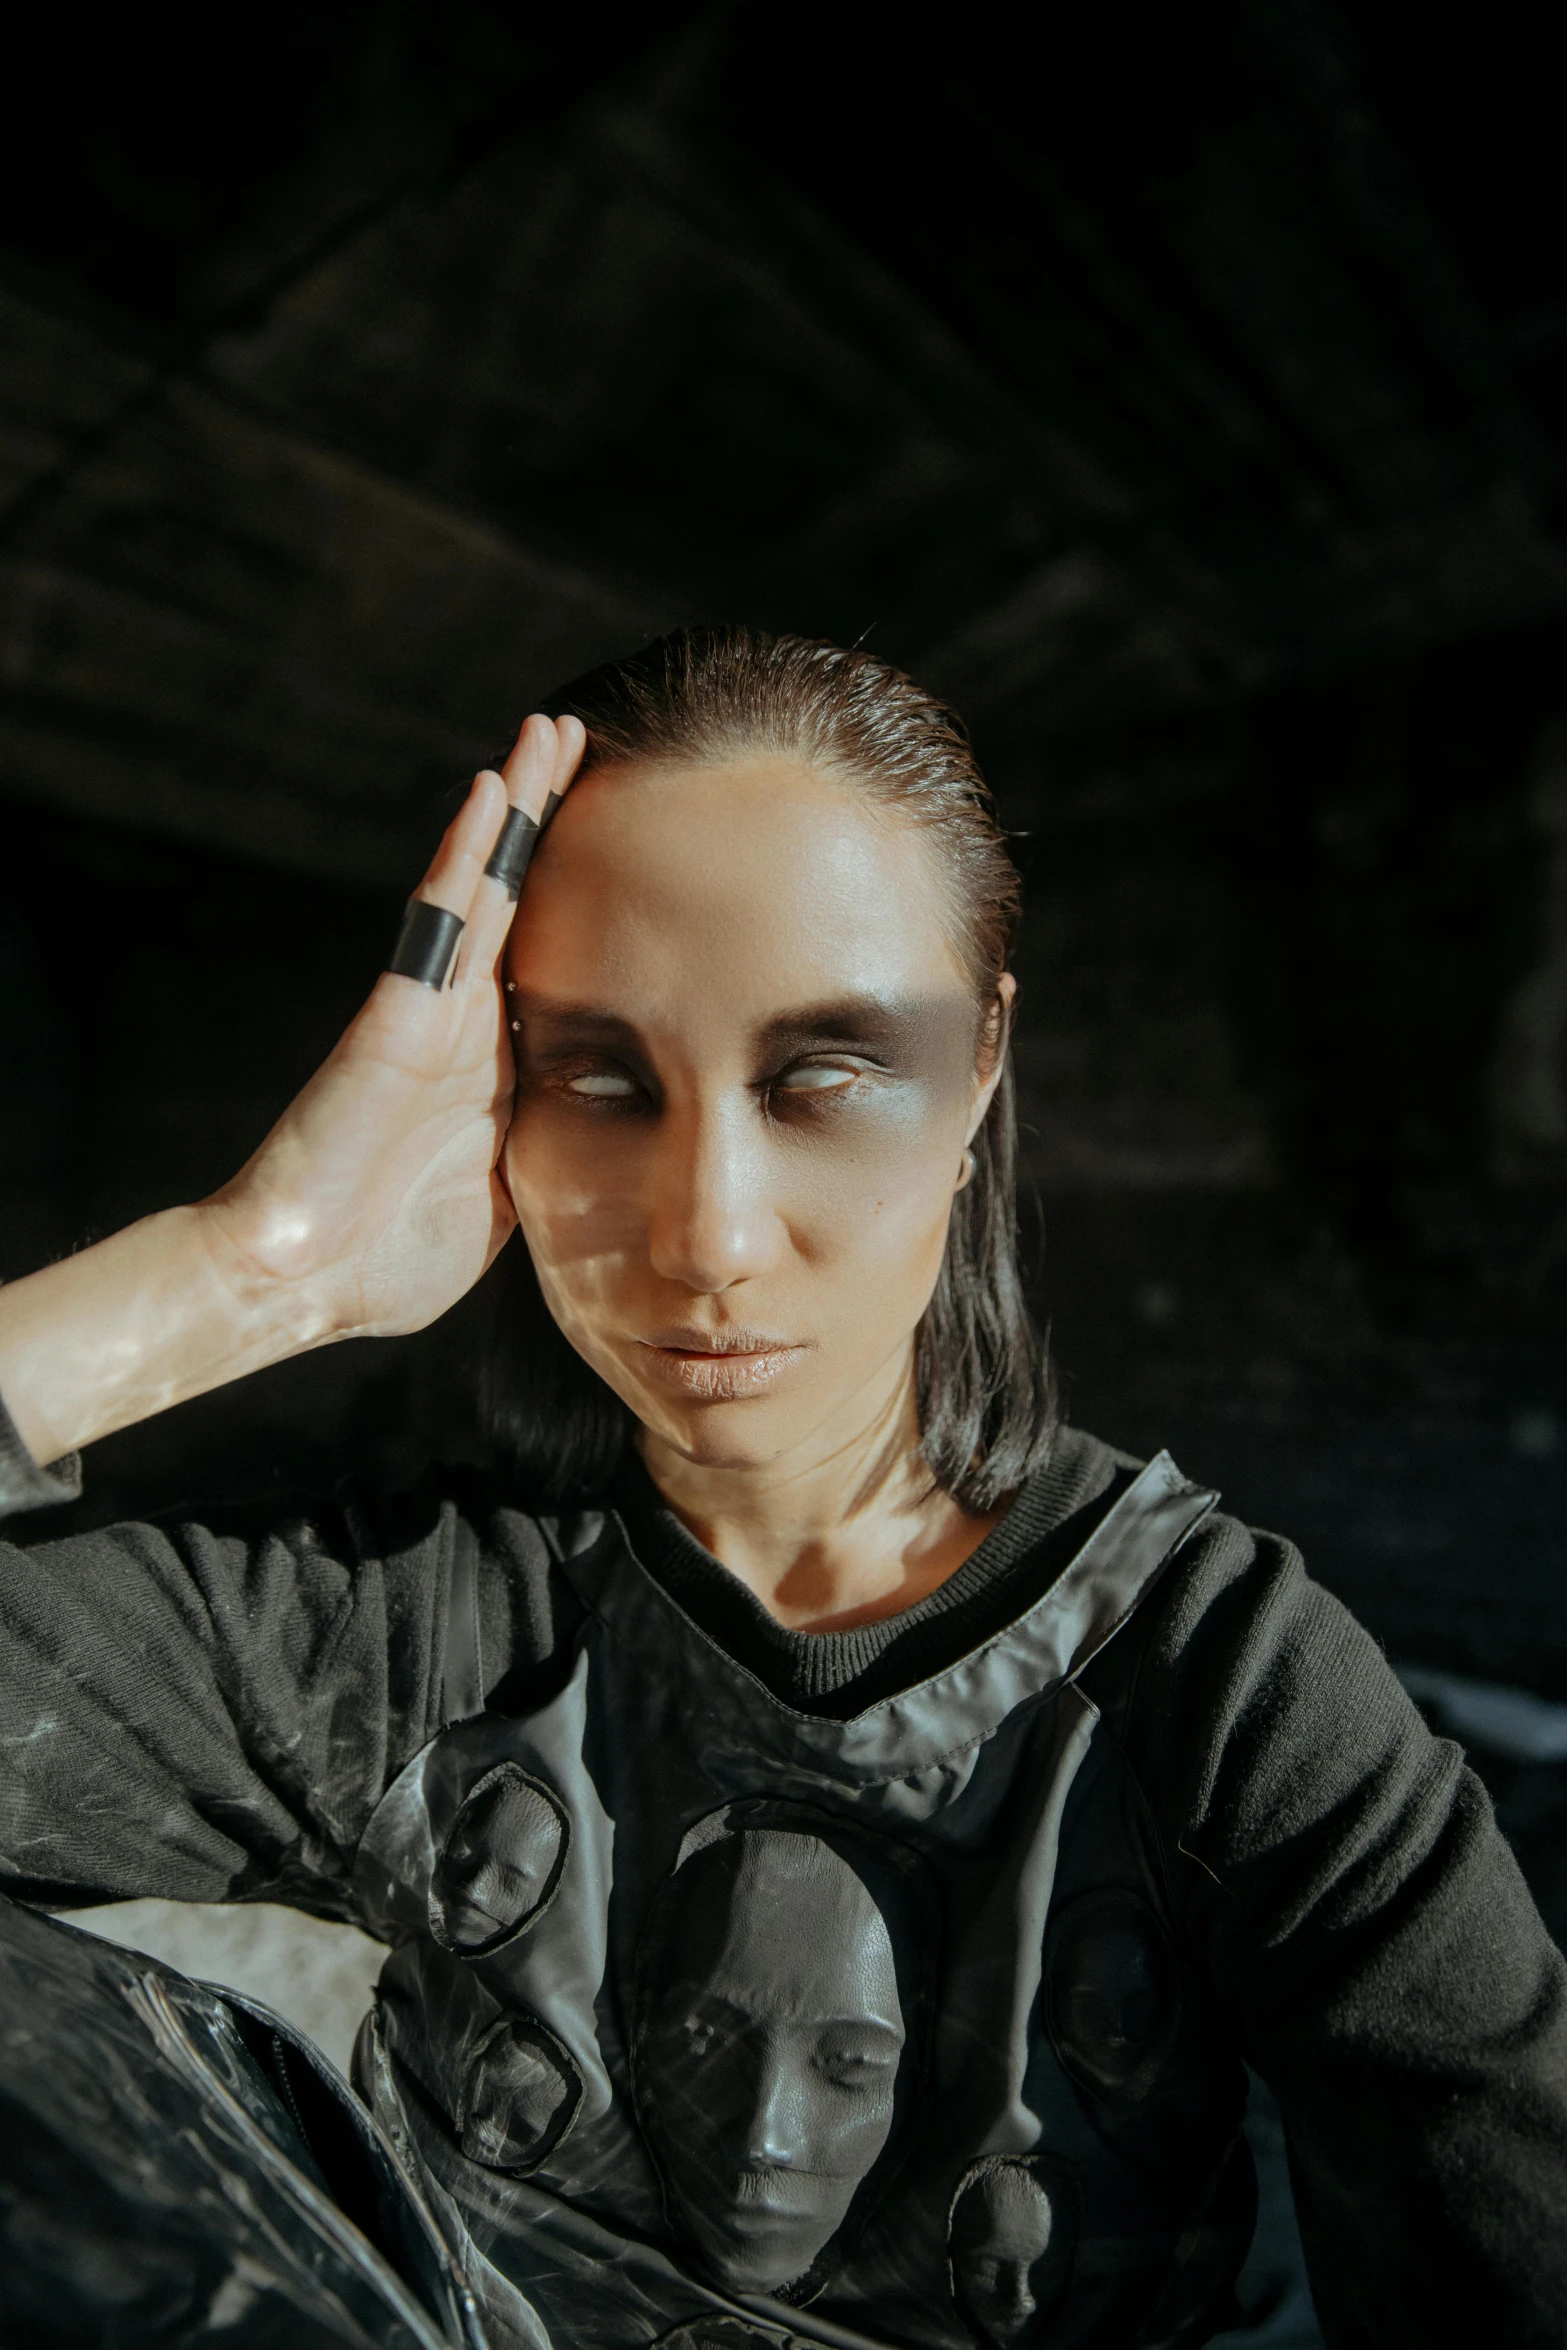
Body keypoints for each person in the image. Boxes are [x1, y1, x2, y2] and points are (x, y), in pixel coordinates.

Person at [0, 628, 1563, 2350]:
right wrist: (253, 1270)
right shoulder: (422, 1637)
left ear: (978, 1069)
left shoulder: (1221, 1690)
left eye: (820, 1078)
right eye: (597, 1079)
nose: (706, 1239)